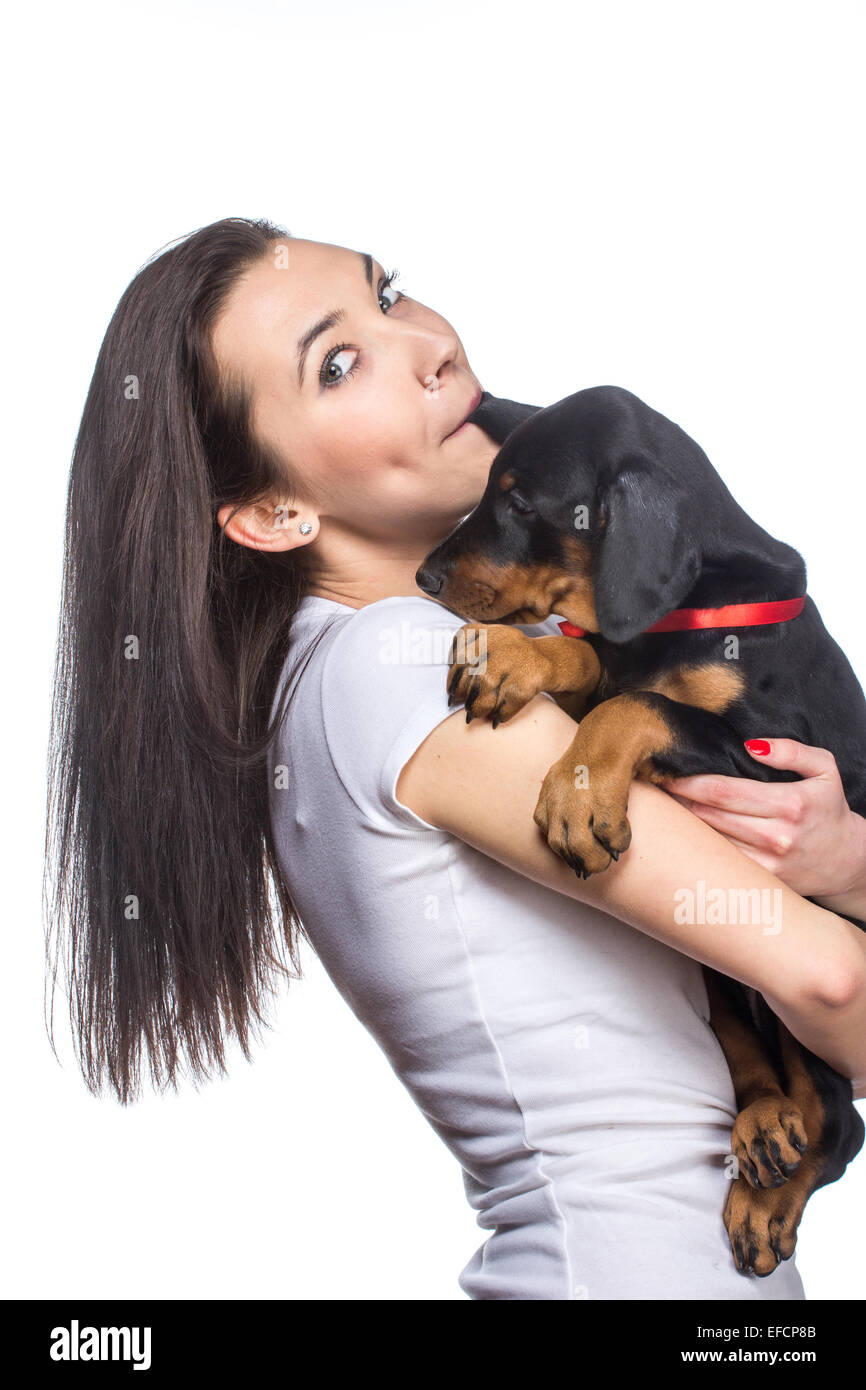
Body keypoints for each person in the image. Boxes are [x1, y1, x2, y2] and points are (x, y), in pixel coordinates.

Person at [46, 216, 866, 1301]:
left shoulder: (347, 678)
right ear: (274, 513)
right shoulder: (405, 662)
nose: (426, 345)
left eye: (390, 296)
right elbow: (829, 976)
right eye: (337, 364)